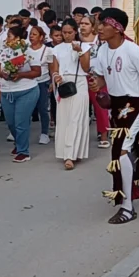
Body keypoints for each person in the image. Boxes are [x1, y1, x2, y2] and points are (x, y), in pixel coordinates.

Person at [90, 8, 139, 225]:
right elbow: (102, 77)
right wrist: (98, 85)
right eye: (98, 24)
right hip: (116, 106)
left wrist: (137, 94)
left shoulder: (133, 51)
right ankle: (135, 187)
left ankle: (128, 207)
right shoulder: (102, 51)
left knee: (120, 151)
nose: (99, 28)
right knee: (124, 151)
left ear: (118, 28)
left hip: (134, 106)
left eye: (104, 24)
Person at [0, 26, 42, 163]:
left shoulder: (28, 52)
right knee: (11, 123)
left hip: (26, 91)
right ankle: (19, 143)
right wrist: (1, 74)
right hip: (7, 92)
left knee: (21, 122)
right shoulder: (4, 52)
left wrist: (20, 74)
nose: (6, 39)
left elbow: (37, 72)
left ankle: (23, 151)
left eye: (9, 36)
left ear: (18, 38)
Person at [50, 19, 92, 170]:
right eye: (64, 33)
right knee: (64, 119)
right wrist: (56, 77)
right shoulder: (56, 49)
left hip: (79, 83)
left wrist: (79, 51)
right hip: (63, 84)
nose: (67, 35)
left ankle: (71, 155)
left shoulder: (85, 46)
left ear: (75, 32)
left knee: (76, 118)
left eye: (70, 32)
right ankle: (66, 152)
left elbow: (86, 68)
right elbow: (54, 68)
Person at [80, 14, 110, 149]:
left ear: (93, 27)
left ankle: (104, 135)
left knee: (100, 106)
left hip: (97, 77)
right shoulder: (77, 41)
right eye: (81, 23)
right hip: (80, 77)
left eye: (86, 24)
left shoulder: (101, 42)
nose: (82, 26)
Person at [27, 26, 54, 145]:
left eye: (34, 34)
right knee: (26, 109)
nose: (31, 36)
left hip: (43, 82)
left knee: (43, 109)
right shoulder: (25, 49)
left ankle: (44, 133)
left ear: (41, 37)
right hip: (28, 82)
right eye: (30, 34)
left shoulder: (47, 50)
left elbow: (52, 68)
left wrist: (53, 82)